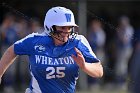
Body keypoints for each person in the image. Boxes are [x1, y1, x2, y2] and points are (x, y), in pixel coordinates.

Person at [0, 6, 103, 93]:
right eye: (62, 28)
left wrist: (84, 66)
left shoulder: (78, 42)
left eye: (69, 28)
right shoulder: (34, 40)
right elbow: (11, 51)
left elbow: (99, 71)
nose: (66, 32)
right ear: (50, 26)